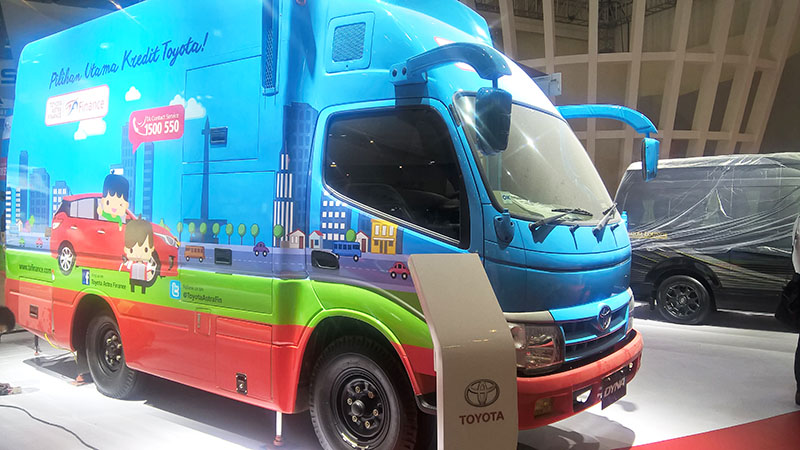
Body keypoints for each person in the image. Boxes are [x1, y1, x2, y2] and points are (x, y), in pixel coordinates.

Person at [119, 219, 156, 294]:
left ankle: (142, 291)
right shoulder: (132, 263)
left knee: (142, 287)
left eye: (146, 250)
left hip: (143, 278)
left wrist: (150, 275)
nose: (139, 255)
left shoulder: (146, 264)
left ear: (151, 249)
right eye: (131, 250)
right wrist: (125, 261)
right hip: (133, 277)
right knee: (133, 285)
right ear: (126, 249)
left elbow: (149, 271)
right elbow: (127, 265)